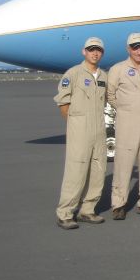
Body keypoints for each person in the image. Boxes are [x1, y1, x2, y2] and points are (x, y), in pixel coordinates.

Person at [53, 37, 108, 230]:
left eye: (98, 50)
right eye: (91, 49)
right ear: (83, 51)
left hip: (99, 129)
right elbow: (63, 102)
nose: (95, 53)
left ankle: (88, 210)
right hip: (80, 129)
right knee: (76, 171)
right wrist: (75, 124)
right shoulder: (73, 73)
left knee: (97, 170)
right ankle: (65, 213)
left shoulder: (103, 76)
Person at [107, 32, 140, 219]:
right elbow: (110, 94)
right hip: (127, 120)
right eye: (134, 47)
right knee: (124, 162)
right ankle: (118, 204)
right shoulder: (118, 69)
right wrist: (125, 108)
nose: (139, 50)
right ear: (128, 49)